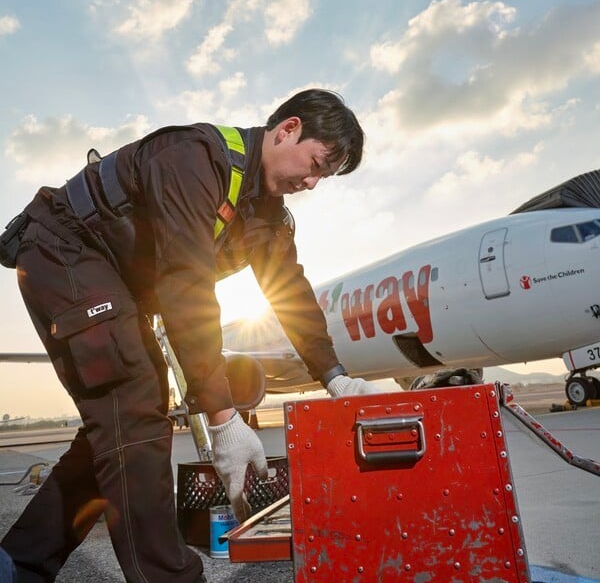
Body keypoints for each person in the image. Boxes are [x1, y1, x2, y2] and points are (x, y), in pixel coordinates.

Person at [0, 88, 376, 583]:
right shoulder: (193, 159)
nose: (310, 182)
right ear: (288, 129)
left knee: (116, 429)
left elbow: (292, 295)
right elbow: (186, 285)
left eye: (322, 178)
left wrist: (335, 377)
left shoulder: (267, 216)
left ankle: (17, 565)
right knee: (134, 400)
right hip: (64, 248)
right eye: (314, 165)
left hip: (117, 282)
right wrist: (222, 418)